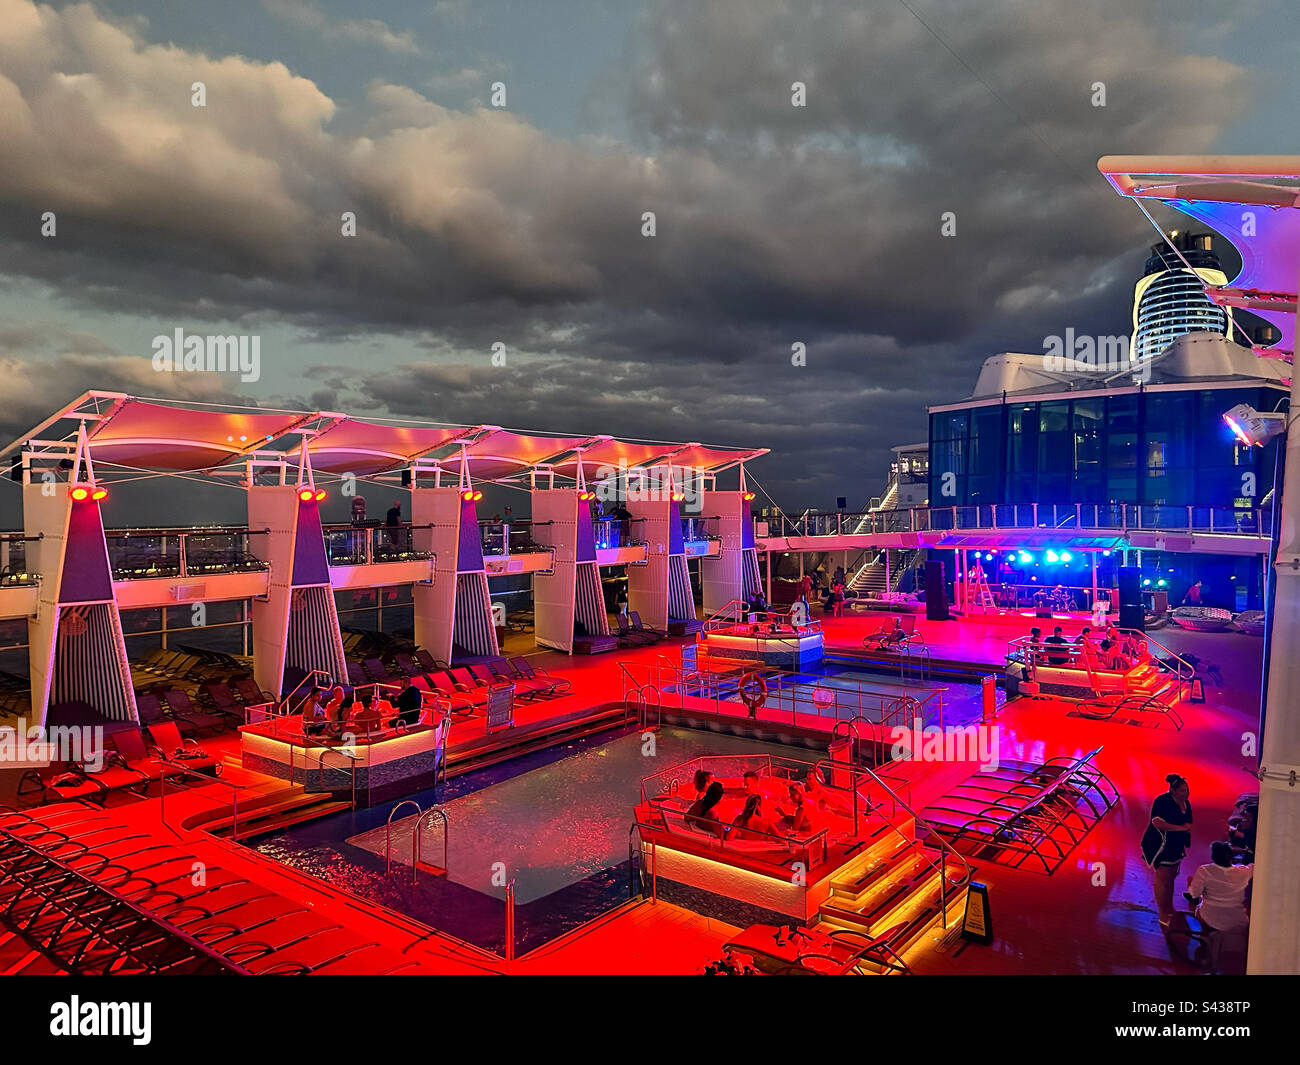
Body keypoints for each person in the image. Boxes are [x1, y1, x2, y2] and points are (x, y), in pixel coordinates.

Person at [1141, 773, 1194, 927]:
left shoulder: (1186, 803)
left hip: (1176, 845)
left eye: (1187, 790)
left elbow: (1188, 823)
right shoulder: (1162, 802)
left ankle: (1169, 907)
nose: (1186, 793)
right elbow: (1156, 822)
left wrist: (1184, 830)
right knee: (1162, 879)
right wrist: (1179, 829)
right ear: (1173, 791)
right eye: (1183, 791)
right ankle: (1163, 913)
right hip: (1160, 845)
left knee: (1171, 877)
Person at [1186, 841, 1252, 933]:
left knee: (1192, 886)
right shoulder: (1243, 871)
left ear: (1213, 856)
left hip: (1209, 919)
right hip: (1237, 921)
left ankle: (1205, 938)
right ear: (1231, 856)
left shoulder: (1204, 870)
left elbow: (1194, 894)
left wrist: (1190, 884)